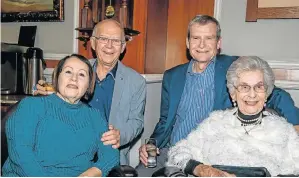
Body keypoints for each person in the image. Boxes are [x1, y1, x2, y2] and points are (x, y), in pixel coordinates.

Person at [137, 15, 299, 176]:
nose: (202, 44)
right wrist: (151, 144)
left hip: (210, 154)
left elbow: (275, 94)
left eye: (209, 38)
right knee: (138, 173)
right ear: (187, 43)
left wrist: (296, 123)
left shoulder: (232, 67)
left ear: (218, 43)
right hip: (172, 150)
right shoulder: (172, 76)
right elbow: (165, 121)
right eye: (196, 38)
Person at [35, 19, 146, 165]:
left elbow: (136, 122)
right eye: (103, 39)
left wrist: (120, 135)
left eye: (116, 41)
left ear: (123, 47)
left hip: (110, 159)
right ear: (93, 43)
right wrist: (47, 94)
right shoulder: (76, 71)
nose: (109, 45)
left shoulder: (136, 82)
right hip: (67, 154)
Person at [166, 56, 299, 176]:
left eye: (259, 87)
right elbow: (176, 153)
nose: (252, 95)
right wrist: (200, 169)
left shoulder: (283, 131)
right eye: (244, 87)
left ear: (267, 93)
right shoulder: (214, 124)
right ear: (233, 93)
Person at [2, 54, 119, 177]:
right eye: (68, 72)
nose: (74, 78)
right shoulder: (31, 106)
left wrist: (93, 172)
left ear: (89, 85)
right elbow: (20, 152)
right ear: (57, 77)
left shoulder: (95, 116)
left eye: (81, 74)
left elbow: (111, 154)